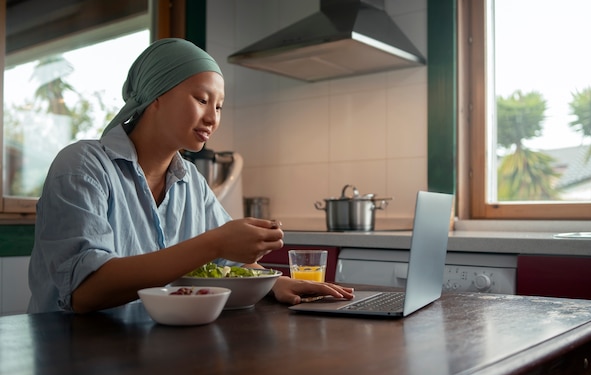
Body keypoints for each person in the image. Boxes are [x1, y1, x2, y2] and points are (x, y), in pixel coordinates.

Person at [27, 38, 354, 313]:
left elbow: (229, 262)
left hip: (153, 351)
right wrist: (217, 241)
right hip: (72, 356)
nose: (212, 117)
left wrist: (277, 282)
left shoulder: (192, 182)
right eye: (201, 100)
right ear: (157, 95)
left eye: (220, 106)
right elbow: (85, 292)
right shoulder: (82, 166)